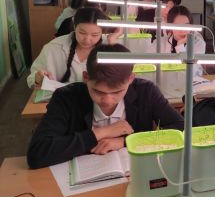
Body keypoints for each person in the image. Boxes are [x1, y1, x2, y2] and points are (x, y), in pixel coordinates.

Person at [27, 44, 184, 169]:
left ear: (131, 79)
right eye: (98, 91)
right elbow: (37, 153)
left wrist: (127, 141)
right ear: (86, 77)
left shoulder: (146, 92)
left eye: (117, 92)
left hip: (132, 176)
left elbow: (180, 128)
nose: (108, 100)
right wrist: (100, 133)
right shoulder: (66, 98)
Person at [27, 7, 120, 88]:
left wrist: (112, 43)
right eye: (82, 33)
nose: (87, 39)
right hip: (60, 99)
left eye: (95, 35)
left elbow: (120, 78)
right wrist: (38, 78)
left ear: (102, 32)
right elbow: (31, 80)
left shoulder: (108, 46)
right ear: (74, 27)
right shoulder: (54, 47)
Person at [158, 5, 206, 76]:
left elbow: (189, 73)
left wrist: (180, 46)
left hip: (192, 81)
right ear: (170, 26)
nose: (182, 30)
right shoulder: (161, 42)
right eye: (178, 26)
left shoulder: (198, 43)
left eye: (186, 25)